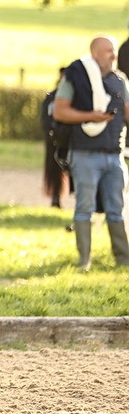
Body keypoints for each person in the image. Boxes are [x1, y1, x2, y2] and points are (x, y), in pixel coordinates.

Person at [52, 35, 129, 270]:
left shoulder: (120, 80)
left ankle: (123, 260)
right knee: (84, 208)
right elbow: (59, 112)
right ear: (95, 53)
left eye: (114, 51)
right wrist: (91, 117)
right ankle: (84, 261)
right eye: (108, 51)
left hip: (114, 155)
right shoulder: (75, 78)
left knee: (116, 209)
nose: (113, 55)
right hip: (85, 154)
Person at [42, 66, 69, 210]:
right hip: (54, 138)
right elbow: (45, 118)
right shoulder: (51, 97)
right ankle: (55, 196)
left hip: (69, 138)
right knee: (54, 168)